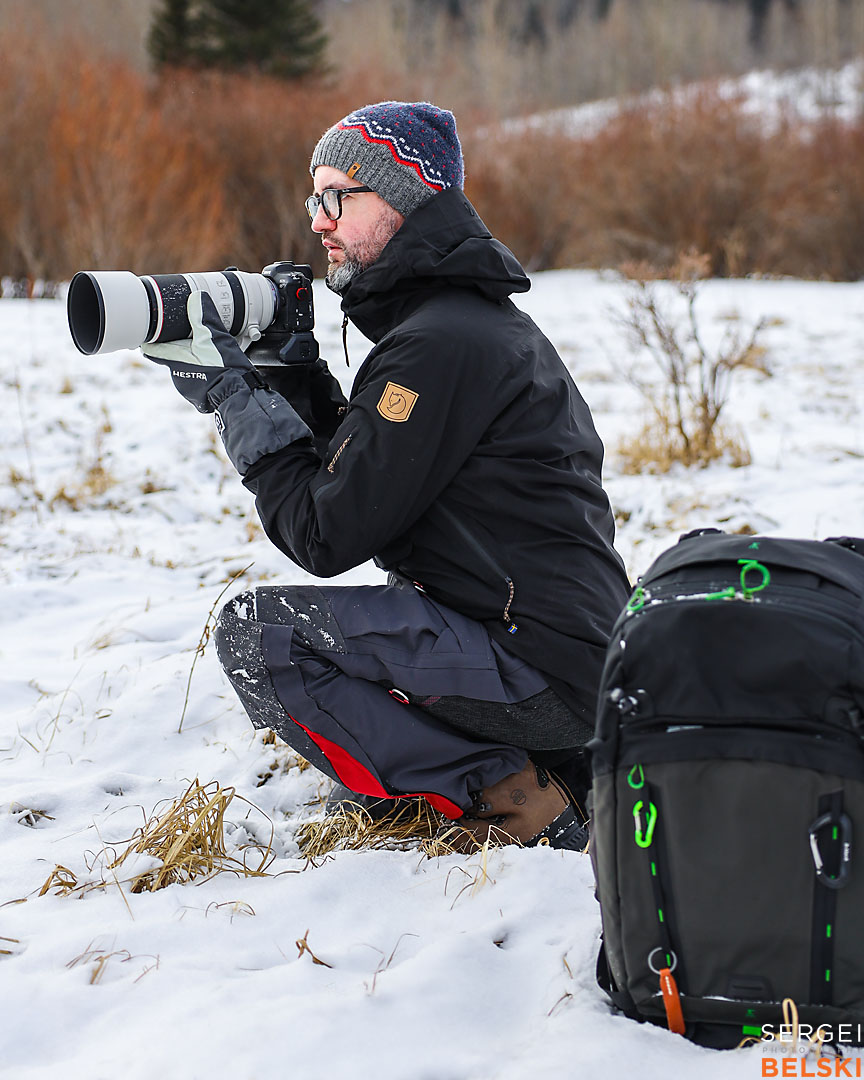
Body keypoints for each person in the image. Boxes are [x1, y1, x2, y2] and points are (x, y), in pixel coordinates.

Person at [144, 101, 631, 850]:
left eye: (338, 196)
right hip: (565, 654)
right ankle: (520, 767)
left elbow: (326, 532)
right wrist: (294, 375)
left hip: (539, 667)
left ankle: (523, 800)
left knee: (263, 636)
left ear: (403, 201)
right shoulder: (460, 325)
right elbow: (372, 477)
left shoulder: (441, 344)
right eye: (316, 198)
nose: (319, 221)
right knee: (347, 626)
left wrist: (233, 398)